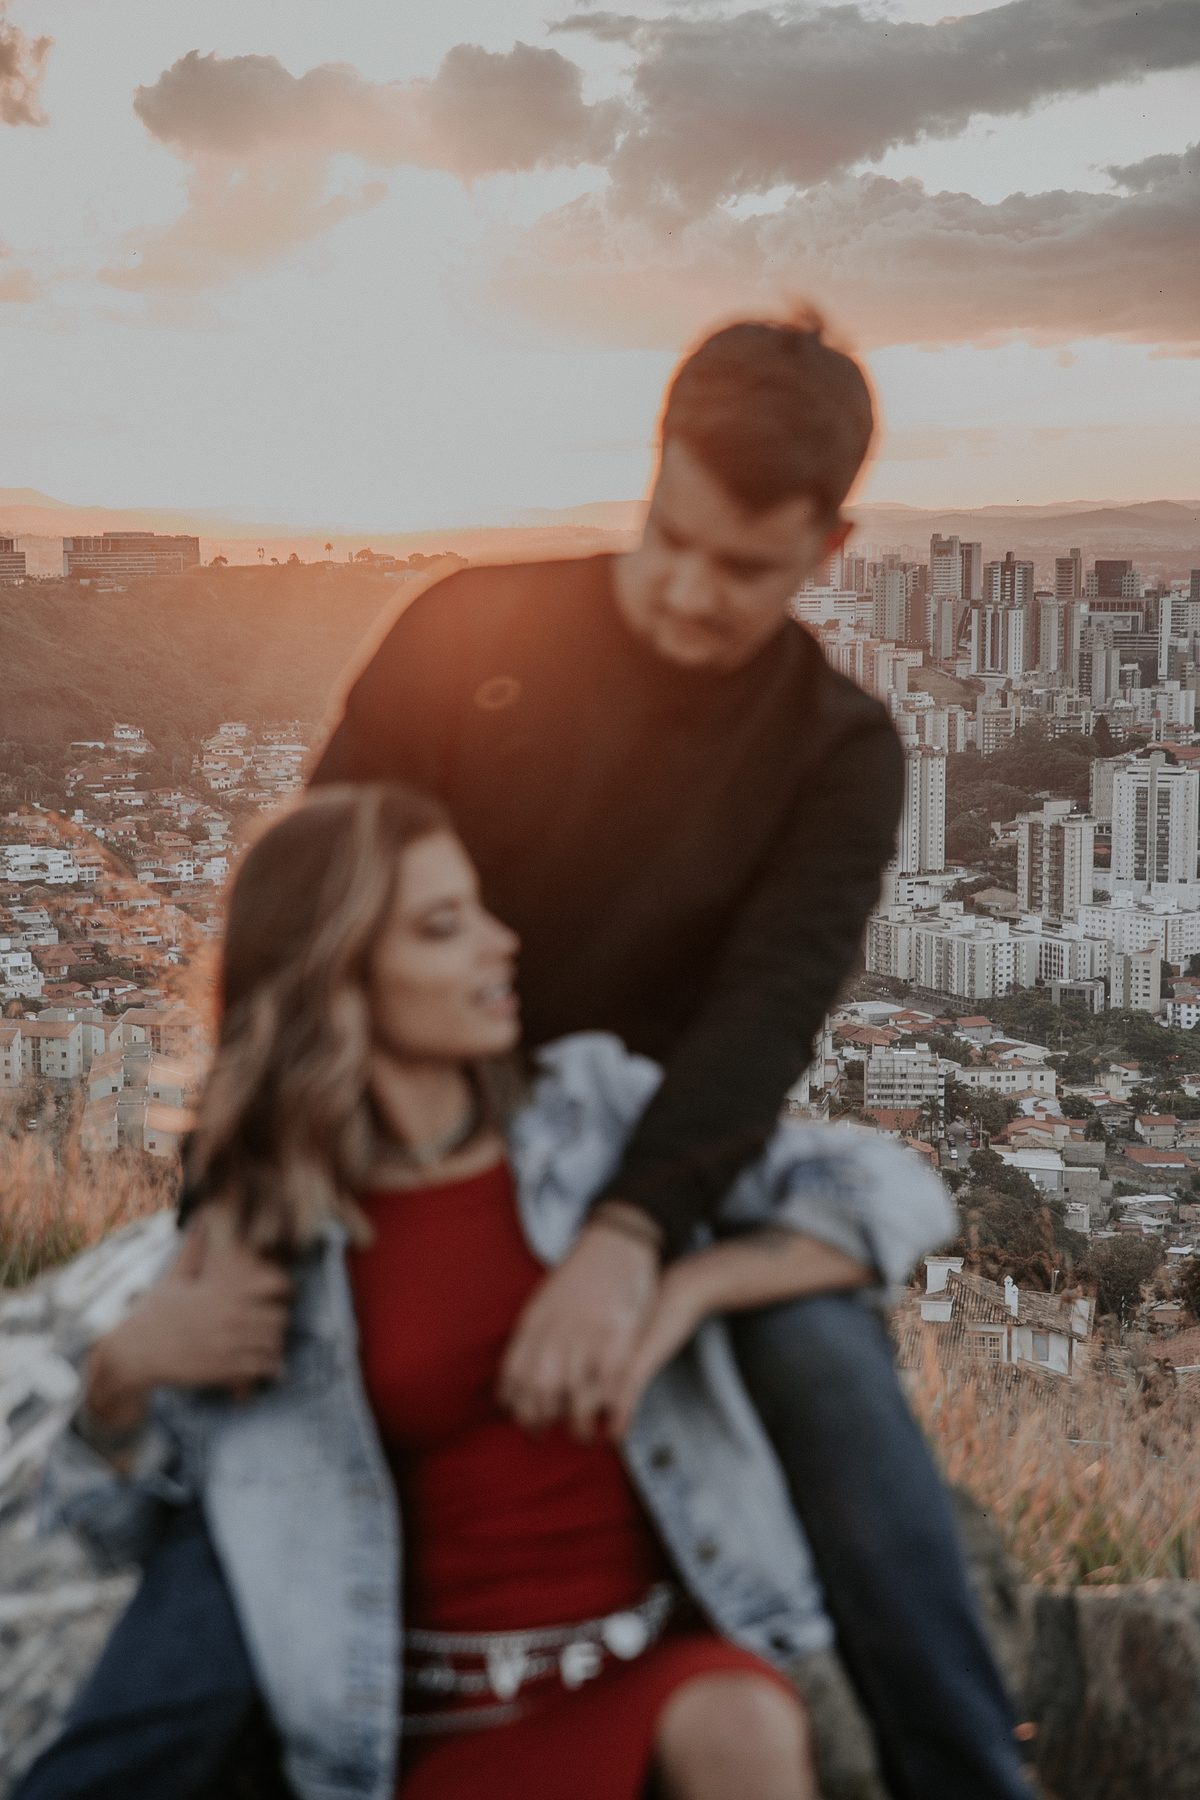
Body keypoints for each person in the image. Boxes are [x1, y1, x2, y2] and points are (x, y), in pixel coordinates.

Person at [310, 317, 1030, 1798]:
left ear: (830, 545)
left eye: (747, 569)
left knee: (825, 1366)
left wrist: (634, 1233)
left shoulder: (839, 749)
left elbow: (760, 1022)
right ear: (654, 471)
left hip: (666, 1144)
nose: (693, 596)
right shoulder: (468, 631)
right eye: (672, 538)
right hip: (416, 1132)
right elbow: (313, 922)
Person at [24, 785, 955, 1800]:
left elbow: (892, 1188)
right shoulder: (263, 1238)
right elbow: (115, 1541)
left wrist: (679, 1284)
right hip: (417, 1732)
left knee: (741, 1724)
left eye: (480, 908)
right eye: (443, 927)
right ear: (343, 977)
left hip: (654, 1673)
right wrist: (121, 1377)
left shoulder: (593, 1123)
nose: (502, 944)